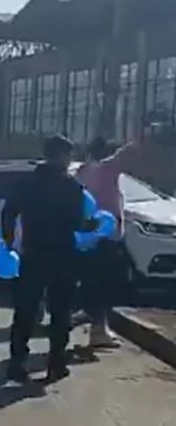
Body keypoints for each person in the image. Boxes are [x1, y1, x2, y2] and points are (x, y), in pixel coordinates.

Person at [2, 134, 85, 383]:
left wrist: (8, 241)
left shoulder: (26, 183)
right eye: (68, 156)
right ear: (60, 156)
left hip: (33, 253)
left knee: (25, 311)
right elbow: (76, 222)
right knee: (60, 313)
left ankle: (17, 364)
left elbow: (8, 212)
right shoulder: (71, 186)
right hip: (63, 256)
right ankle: (56, 364)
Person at [75, 136, 141, 348]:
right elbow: (123, 158)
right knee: (107, 284)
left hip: (91, 237)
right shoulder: (105, 170)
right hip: (105, 238)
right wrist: (139, 139)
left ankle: (94, 321)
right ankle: (98, 329)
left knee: (93, 283)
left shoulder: (83, 172)